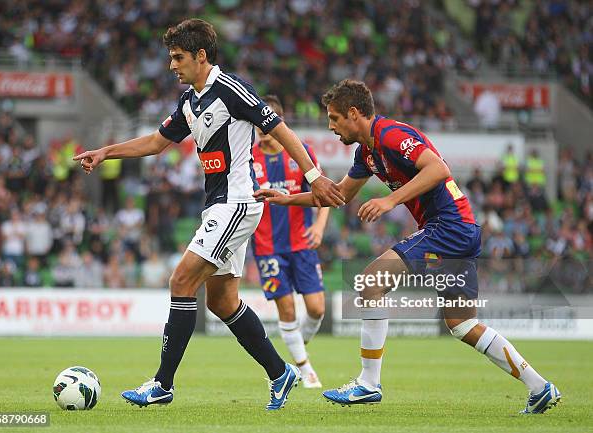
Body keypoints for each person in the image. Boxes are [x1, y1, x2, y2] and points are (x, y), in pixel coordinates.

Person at [73, 18, 344, 411]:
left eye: (178, 57)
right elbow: (155, 142)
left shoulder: (231, 90)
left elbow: (281, 130)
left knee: (180, 279)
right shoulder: (190, 101)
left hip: (236, 201)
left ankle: (162, 384)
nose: (172, 66)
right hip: (218, 205)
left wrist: (314, 176)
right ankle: (280, 372)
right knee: (222, 301)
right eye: (170, 58)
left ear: (201, 56)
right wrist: (105, 151)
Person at [255, 79, 560, 414]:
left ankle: (368, 384)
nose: (331, 127)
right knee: (463, 325)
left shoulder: (390, 135)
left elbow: (439, 169)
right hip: (458, 230)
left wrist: (390, 201)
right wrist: (286, 200)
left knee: (371, 282)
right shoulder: (367, 153)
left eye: (334, 118)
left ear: (354, 113)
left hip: (449, 227)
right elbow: (338, 196)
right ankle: (540, 387)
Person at [252, 95, 329, 389]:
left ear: (279, 122)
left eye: (267, 120)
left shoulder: (300, 152)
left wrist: (319, 227)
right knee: (287, 311)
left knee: (317, 309)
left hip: (301, 244)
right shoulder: (249, 157)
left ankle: (299, 342)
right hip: (267, 247)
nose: (262, 126)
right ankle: (305, 369)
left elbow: (324, 193)